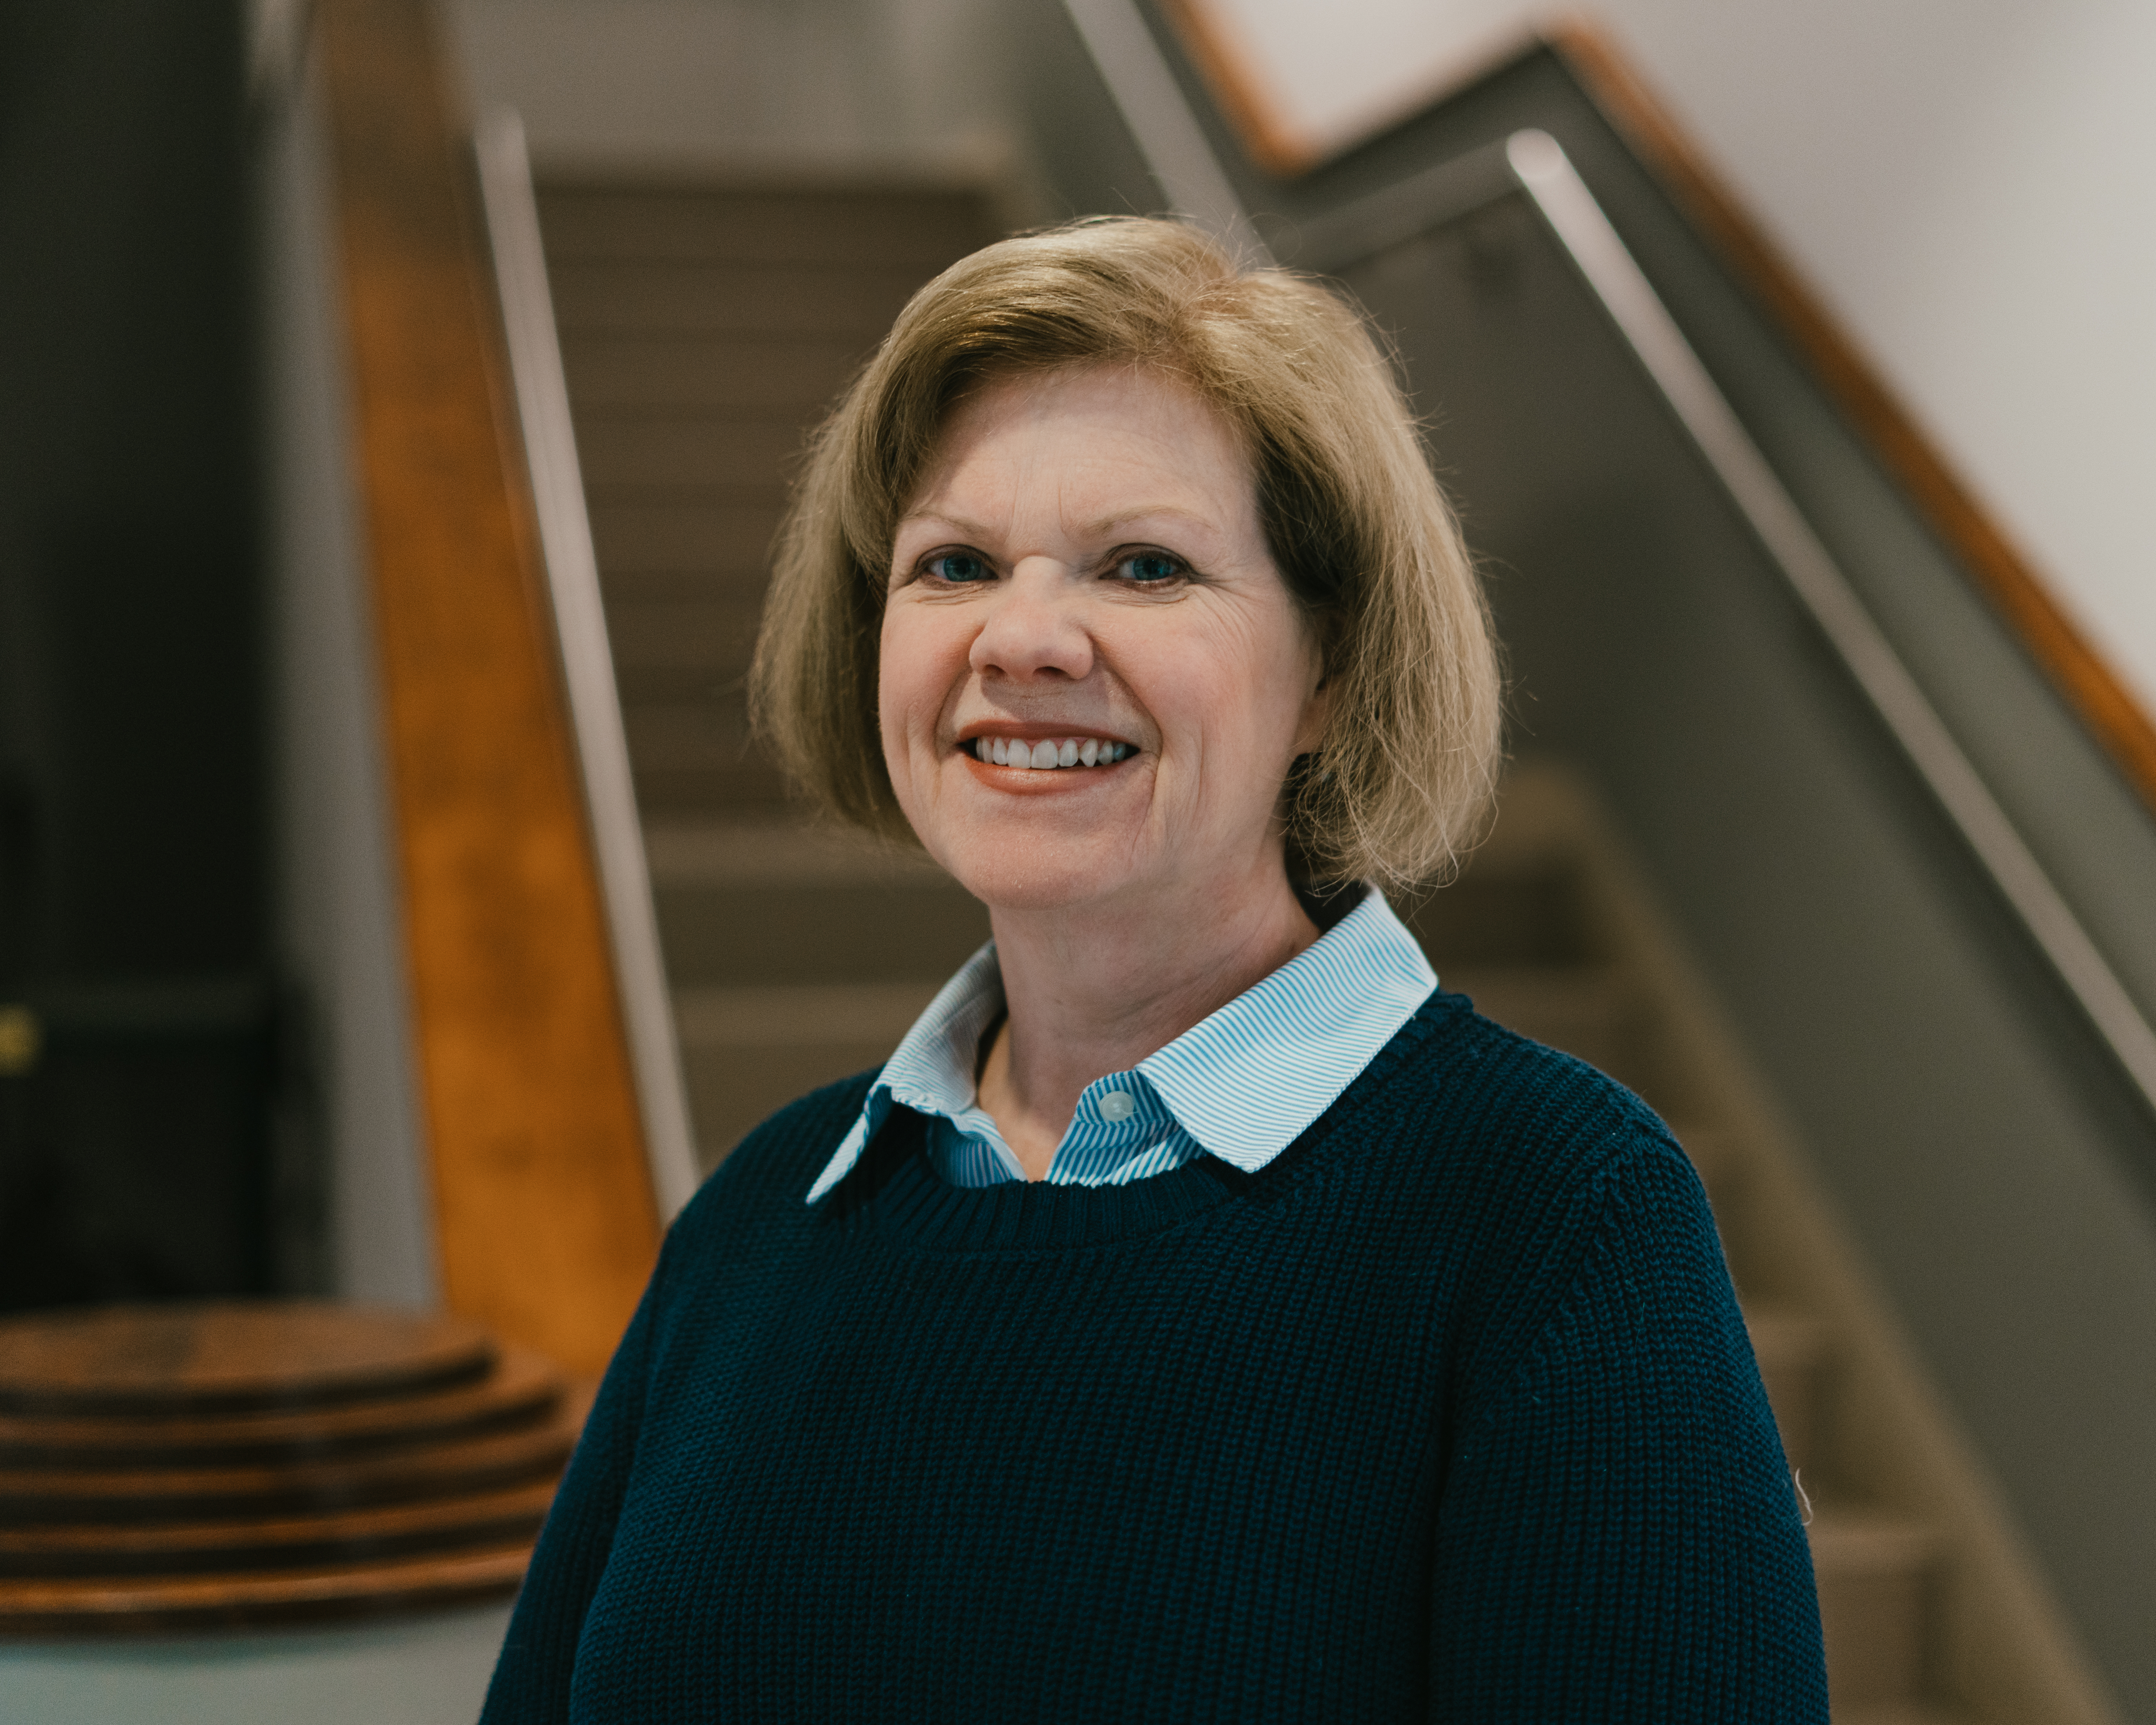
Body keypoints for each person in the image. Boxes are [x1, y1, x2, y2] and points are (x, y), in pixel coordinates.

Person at [481, 217, 1826, 1722]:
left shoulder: (1552, 1220)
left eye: (1144, 565)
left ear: (1330, 668)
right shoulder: (763, 1214)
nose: (1026, 637)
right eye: (955, 565)